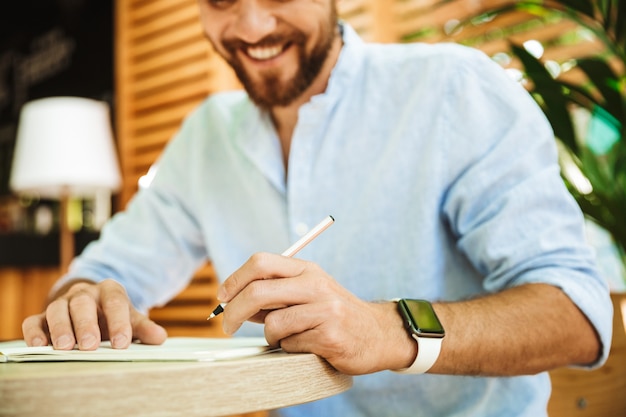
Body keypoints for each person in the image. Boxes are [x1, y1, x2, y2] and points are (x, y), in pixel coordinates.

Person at [23, 1, 612, 416]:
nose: (251, 24)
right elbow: (104, 274)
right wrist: (79, 300)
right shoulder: (205, 135)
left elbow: (579, 317)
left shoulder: (452, 90)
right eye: (222, 0)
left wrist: (387, 329)